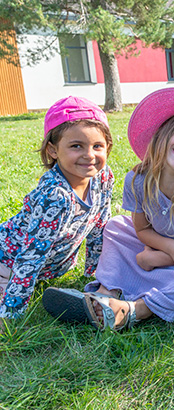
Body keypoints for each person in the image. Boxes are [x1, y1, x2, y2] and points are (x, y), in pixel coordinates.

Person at [42, 87, 174, 330]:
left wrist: (154, 259)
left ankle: (137, 309)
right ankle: (105, 294)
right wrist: (168, 249)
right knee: (117, 225)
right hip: (163, 251)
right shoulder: (137, 180)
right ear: (162, 137)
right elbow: (141, 229)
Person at [0, 96, 113, 323]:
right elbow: (30, 257)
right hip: (7, 261)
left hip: (46, 268)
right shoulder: (55, 196)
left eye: (97, 146)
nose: (89, 155)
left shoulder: (103, 177)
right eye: (76, 146)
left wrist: (93, 275)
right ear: (53, 150)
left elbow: (99, 227)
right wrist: (11, 314)